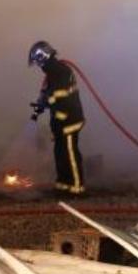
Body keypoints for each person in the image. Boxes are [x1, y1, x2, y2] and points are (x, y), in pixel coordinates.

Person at [28, 41, 86, 196]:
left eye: (38, 63)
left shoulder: (61, 71)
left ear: (43, 58)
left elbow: (60, 96)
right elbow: (48, 95)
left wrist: (47, 102)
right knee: (60, 153)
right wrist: (40, 105)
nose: (39, 67)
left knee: (70, 154)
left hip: (69, 120)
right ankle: (63, 185)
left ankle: (76, 187)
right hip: (59, 120)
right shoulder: (51, 74)